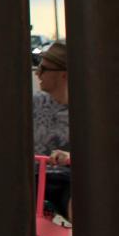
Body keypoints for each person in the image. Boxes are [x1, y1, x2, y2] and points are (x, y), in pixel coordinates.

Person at [33, 42, 71, 221]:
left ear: (63, 75)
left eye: (43, 69)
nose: (37, 73)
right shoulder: (33, 103)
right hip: (31, 180)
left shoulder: (91, 112)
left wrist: (69, 157)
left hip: (68, 182)